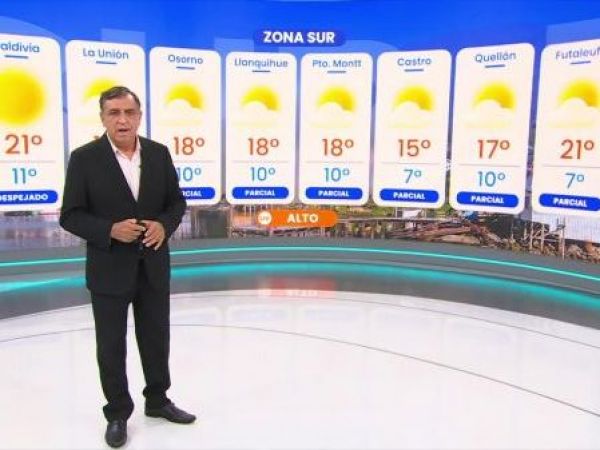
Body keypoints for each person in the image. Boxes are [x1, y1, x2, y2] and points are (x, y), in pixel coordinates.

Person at [60, 86, 195, 448]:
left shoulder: (158, 153)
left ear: (139, 116)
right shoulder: (84, 159)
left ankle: (158, 400)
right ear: (102, 118)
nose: (122, 120)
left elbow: (176, 203)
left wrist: (164, 225)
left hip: (153, 266)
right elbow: (70, 215)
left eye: (129, 112)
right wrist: (109, 230)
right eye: (114, 113)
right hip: (108, 270)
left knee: (156, 338)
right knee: (111, 346)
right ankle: (118, 413)